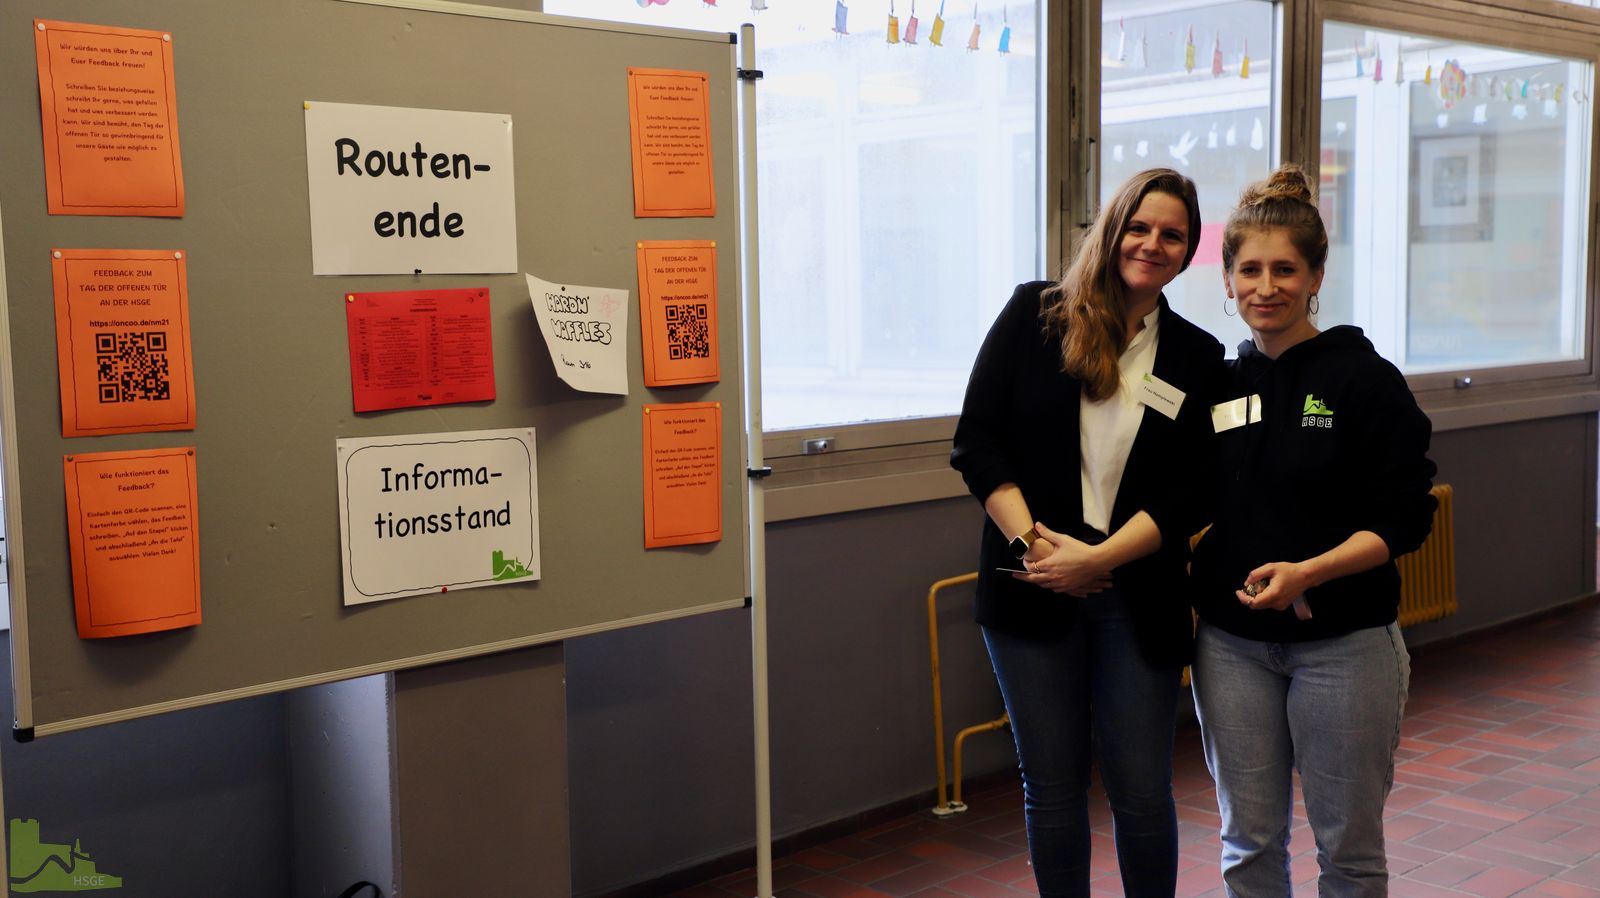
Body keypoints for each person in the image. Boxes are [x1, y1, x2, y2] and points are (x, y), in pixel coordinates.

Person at [950, 168, 1225, 898]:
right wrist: (1036, 551)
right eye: (1140, 226)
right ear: (1112, 228)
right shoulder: (1034, 316)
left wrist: (1098, 559)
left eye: (1173, 234)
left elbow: (1194, 489)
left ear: (1190, 249)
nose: (1153, 244)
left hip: (1139, 595)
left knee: (1141, 790)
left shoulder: (1199, 357)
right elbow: (978, 445)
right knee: (1053, 788)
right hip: (1031, 588)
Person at [1189, 164, 1437, 897]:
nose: (1267, 287)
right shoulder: (1219, 382)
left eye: (1286, 270)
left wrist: (1309, 573)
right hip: (1231, 647)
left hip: (1346, 649)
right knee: (1248, 844)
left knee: (1349, 853)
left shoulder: (1364, 380)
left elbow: (1405, 518)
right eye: (1250, 270)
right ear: (1228, 282)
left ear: (1316, 276)